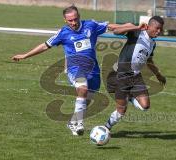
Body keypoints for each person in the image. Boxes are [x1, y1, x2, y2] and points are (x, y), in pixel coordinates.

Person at [11, 5, 121, 136]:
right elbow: (45, 46)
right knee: (83, 88)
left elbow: (110, 26)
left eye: (75, 19)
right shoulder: (63, 33)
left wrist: (133, 27)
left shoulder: (90, 25)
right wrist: (25, 55)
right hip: (74, 68)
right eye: (70, 20)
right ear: (65, 20)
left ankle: (72, 122)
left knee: (87, 98)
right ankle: (79, 123)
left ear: (79, 16)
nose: (74, 23)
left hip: (93, 70)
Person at [104, 16, 166, 131]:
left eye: (161, 29)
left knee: (145, 106)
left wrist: (158, 75)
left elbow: (149, 60)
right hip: (121, 74)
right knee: (121, 111)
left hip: (135, 76)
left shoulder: (153, 43)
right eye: (157, 28)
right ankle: (106, 127)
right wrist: (136, 27)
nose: (159, 32)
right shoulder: (137, 32)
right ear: (149, 26)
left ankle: (131, 97)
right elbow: (116, 31)